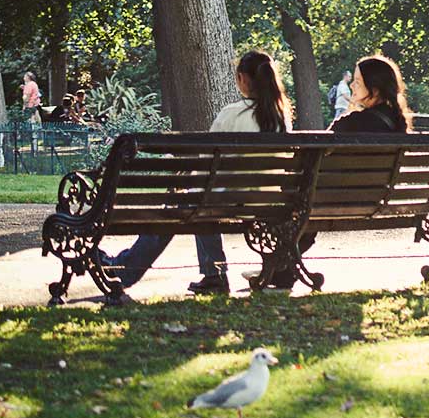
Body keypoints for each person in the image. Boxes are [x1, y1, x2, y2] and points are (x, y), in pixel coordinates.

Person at [98, 50, 292, 296]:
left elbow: (205, 160)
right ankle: (211, 275)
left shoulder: (233, 113)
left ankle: (128, 269)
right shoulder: (280, 117)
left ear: (243, 79)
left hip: (228, 200)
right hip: (269, 201)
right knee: (198, 198)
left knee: (188, 202)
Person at [331, 53, 412, 133]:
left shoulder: (351, 123)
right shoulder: (396, 121)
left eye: (357, 82)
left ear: (375, 90)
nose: (352, 85)